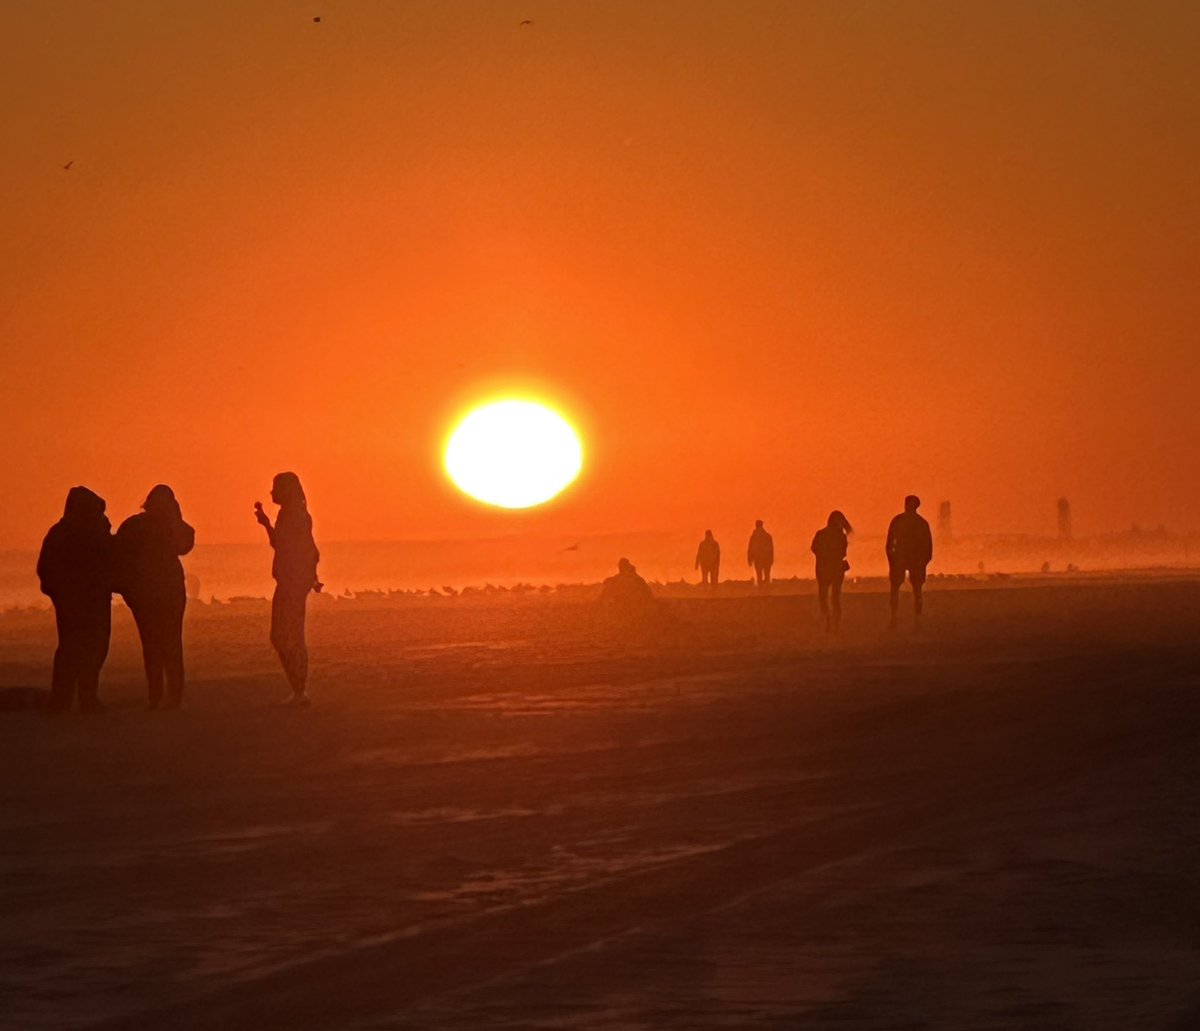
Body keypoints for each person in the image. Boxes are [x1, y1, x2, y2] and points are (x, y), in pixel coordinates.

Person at [115, 485, 195, 709]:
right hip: (164, 592)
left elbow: (117, 557)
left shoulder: (134, 525)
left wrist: (124, 589)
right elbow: (186, 543)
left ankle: (157, 696)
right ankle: (171, 696)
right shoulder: (164, 526)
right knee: (170, 643)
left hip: (148, 593)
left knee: (152, 645)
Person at [36, 487, 114, 713]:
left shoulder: (87, 532)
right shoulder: (63, 534)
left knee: (95, 648)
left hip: (92, 599)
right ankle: (66, 699)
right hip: (77, 602)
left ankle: (84, 697)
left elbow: (112, 559)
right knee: (74, 649)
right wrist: (60, 592)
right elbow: (46, 571)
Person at [255, 472, 321, 706]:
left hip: (291, 583)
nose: (272, 492)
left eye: (275, 488)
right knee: (288, 635)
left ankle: (299, 689)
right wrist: (266, 524)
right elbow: (286, 545)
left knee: (285, 635)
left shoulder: (294, 516)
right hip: (292, 581)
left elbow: (289, 547)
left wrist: (307, 577)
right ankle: (298, 689)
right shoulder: (294, 515)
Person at [886, 494, 933, 628]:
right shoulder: (920, 523)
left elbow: (889, 544)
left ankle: (898, 619)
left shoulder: (899, 521)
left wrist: (892, 559)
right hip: (908, 560)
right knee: (914, 591)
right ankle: (911, 620)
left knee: (901, 590)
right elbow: (928, 547)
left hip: (906, 560)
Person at [811, 510, 852, 632]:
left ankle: (829, 619)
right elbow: (843, 553)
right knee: (835, 597)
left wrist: (823, 556)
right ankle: (836, 624)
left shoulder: (821, 534)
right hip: (837, 569)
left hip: (822, 568)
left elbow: (814, 549)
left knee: (823, 597)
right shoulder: (841, 536)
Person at [747, 519, 774, 586]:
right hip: (765, 559)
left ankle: (762, 589)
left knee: (759, 575)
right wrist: (771, 559)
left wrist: (750, 559)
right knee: (766, 575)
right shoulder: (767, 536)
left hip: (758, 559)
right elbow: (771, 549)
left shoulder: (754, 537)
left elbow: (750, 548)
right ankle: (765, 589)